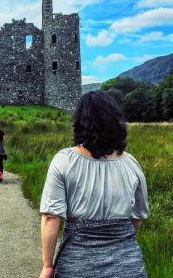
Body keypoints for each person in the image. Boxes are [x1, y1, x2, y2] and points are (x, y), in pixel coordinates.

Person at [39, 91, 149, 278]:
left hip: (77, 265)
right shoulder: (132, 164)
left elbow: (51, 217)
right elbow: (138, 216)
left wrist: (47, 267)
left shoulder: (64, 160)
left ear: (80, 122)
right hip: (127, 266)